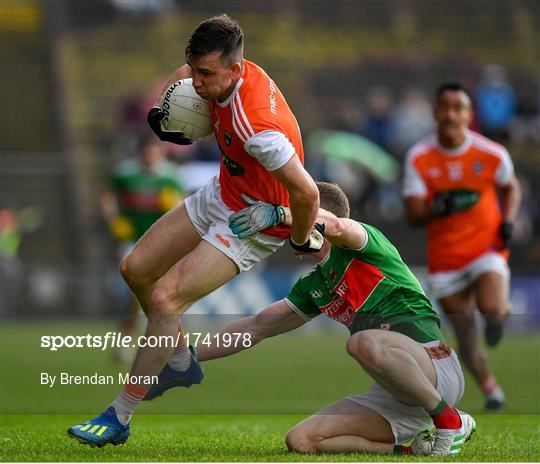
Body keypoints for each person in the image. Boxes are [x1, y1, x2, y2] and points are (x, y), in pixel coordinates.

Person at [68, 14, 319, 447]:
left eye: (206, 75)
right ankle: (182, 360)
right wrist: (159, 109)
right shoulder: (225, 68)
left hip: (253, 222)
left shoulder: (259, 129)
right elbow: (184, 71)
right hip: (223, 190)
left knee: (165, 297)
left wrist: (294, 235)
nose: (197, 83)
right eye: (196, 70)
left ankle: (120, 414)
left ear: (235, 70)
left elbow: (309, 194)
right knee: (135, 268)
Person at [192, 182, 475, 456]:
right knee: (301, 440)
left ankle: (449, 418)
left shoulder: (363, 241)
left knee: (361, 342)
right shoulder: (314, 284)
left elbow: (338, 227)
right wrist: (186, 357)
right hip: (397, 395)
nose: (286, 231)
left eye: (296, 217)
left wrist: (280, 213)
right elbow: (256, 327)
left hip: (434, 368)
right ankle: (411, 448)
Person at [402, 82, 522, 411]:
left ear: (469, 115)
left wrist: (508, 221)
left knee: (493, 309)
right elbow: (413, 215)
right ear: (435, 112)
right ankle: (492, 390)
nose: (451, 114)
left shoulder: (492, 154)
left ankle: (498, 319)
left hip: (486, 250)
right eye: (446, 107)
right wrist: (436, 208)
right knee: (466, 336)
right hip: (445, 261)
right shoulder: (420, 158)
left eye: (459, 108)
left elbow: (511, 188)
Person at [100, 135, 185, 363]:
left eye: (155, 153)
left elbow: (182, 207)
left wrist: (174, 206)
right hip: (132, 241)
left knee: (158, 294)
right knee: (136, 295)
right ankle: (134, 340)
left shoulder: (170, 176)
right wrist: (114, 220)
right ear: (141, 153)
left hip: (161, 243)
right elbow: (107, 197)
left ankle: (160, 344)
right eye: (147, 153)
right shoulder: (125, 173)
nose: (151, 158)